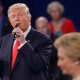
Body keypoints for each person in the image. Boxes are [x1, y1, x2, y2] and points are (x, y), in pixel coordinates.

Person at [0, 3, 52, 80]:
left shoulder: (43, 39)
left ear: (29, 18)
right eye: (13, 16)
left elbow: (38, 65)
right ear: (10, 21)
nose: (16, 19)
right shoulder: (4, 40)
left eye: (20, 15)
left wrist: (23, 42)